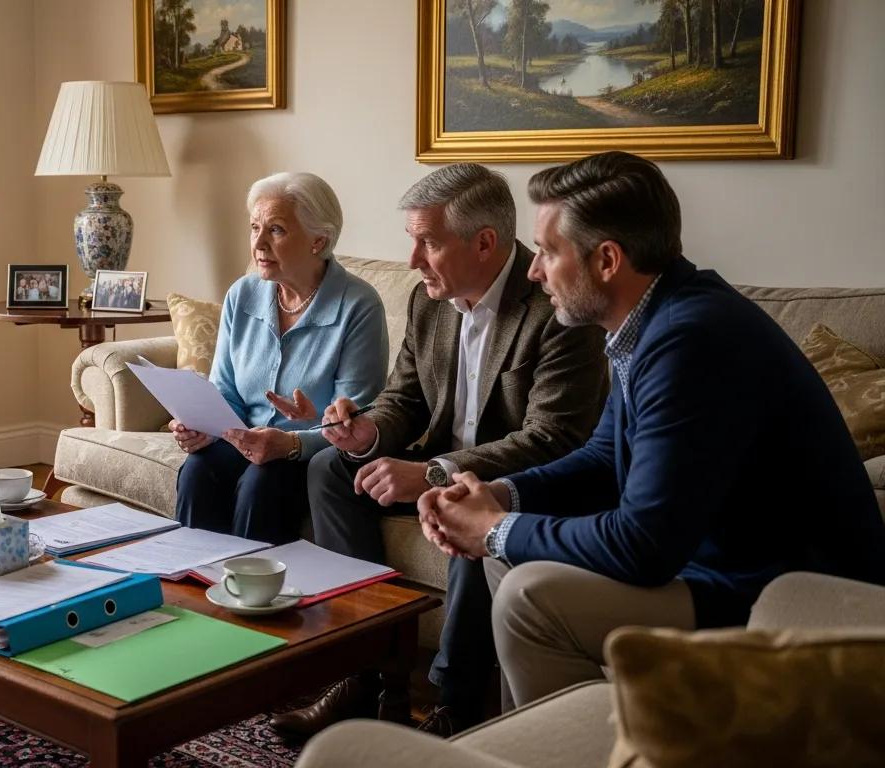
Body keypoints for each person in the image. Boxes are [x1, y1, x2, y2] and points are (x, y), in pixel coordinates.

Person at [420, 151, 885, 709]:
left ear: (608, 260)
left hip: (792, 594)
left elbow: (643, 546)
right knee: (502, 553)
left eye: (547, 251)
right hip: (726, 566)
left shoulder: (691, 340)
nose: (534, 271)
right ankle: (564, 730)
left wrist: (495, 526)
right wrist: (501, 494)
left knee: (527, 593)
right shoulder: (657, 318)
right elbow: (601, 455)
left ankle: (585, 744)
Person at [270, 164, 608, 741]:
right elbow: (404, 396)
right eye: (412, 241)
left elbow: (551, 438)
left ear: (484, 243)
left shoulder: (558, 306)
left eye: (428, 242)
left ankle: (455, 703)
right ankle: (362, 674)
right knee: (330, 468)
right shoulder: (430, 301)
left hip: (514, 482)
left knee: (466, 504)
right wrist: (367, 431)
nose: (412, 260)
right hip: (439, 466)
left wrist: (433, 473)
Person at [171, 172, 389, 545]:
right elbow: (226, 390)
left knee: (263, 480)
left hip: (309, 454)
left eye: (276, 230)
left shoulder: (358, 305)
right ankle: (190, 586)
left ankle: (252, 596)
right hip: (244, 440)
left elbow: (360, 422)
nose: (257, 243)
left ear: (318, 240)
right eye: (255, 227)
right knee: (198, 469)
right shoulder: (243, 294)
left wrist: (291, 443)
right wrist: (201, 426)